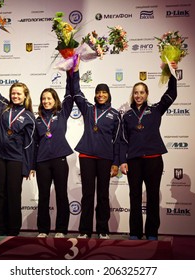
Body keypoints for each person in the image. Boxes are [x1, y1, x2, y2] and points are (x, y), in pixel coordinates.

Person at [0, 54, 36, 236]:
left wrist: (28, 167)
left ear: (25, 96)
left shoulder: (29, 117)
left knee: (14, 196)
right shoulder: (3, 106)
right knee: (0, 195)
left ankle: (13, 231)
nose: (15, 95)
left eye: (18, 93)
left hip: (16, 160)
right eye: (13, 93)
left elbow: (29, 145)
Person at [120, 62, 178, 240]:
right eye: (136, 92)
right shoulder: (127, 115)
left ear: (147, 95)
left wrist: (171, 73)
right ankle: (135, 233)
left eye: (142, 92)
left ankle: (152, 232)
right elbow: (123, 141)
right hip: (134, 161)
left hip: (153, 159)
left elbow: (171, 94)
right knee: (135, 196)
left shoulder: (155, 110)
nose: (138, 95)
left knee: (153, 196)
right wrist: (123, 161)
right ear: (133, 95)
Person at [70, 58, 121, 239]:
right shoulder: (88, 108)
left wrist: (116, 163)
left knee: (103, 195)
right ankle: (85, 230)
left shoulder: (115, 114)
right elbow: (76, 92)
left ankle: (102, 229)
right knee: (88, 194)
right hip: (87, 156)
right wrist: (75, 71)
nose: (101, 95)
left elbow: (118, 141)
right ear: (95, 95)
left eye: (104, 92)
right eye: (98, 92)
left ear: (108, 95)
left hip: (105, 157)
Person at [33, 71, 74, 239]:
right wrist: (31, 165)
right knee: (43, 196)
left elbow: (70, 95)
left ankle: (61, 229)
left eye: (49, 98)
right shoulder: (37, 120)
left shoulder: (62, 113)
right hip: (42, 161)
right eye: (44, 99)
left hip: (59, 159)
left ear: (55, 100)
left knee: (61, 194)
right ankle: (43, 229)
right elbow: (34, 144)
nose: (46, 101)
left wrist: (70, 72)